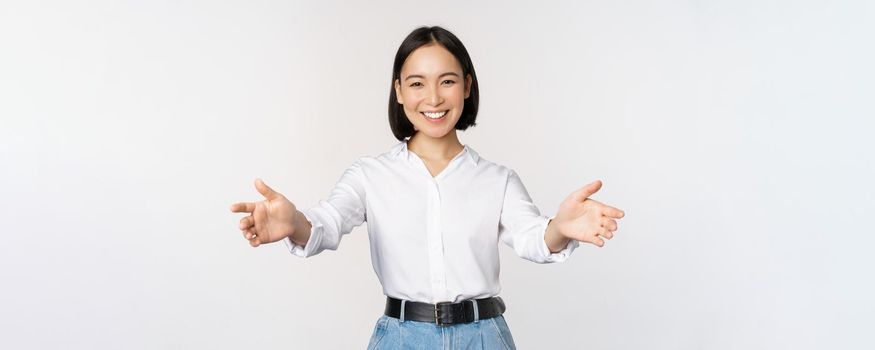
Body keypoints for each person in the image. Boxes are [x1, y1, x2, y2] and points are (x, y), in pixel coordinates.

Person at [230, 26, 625, 349]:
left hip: (484, 337)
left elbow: (535, 238)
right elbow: (324, 224)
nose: (433, 98)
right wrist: (292, 221)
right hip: (402, 338)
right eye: (417, 83)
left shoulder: (497, 180)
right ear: (399, 92)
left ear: (467, 87)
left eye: (447, 81)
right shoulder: (370, 176)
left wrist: (561, 227)